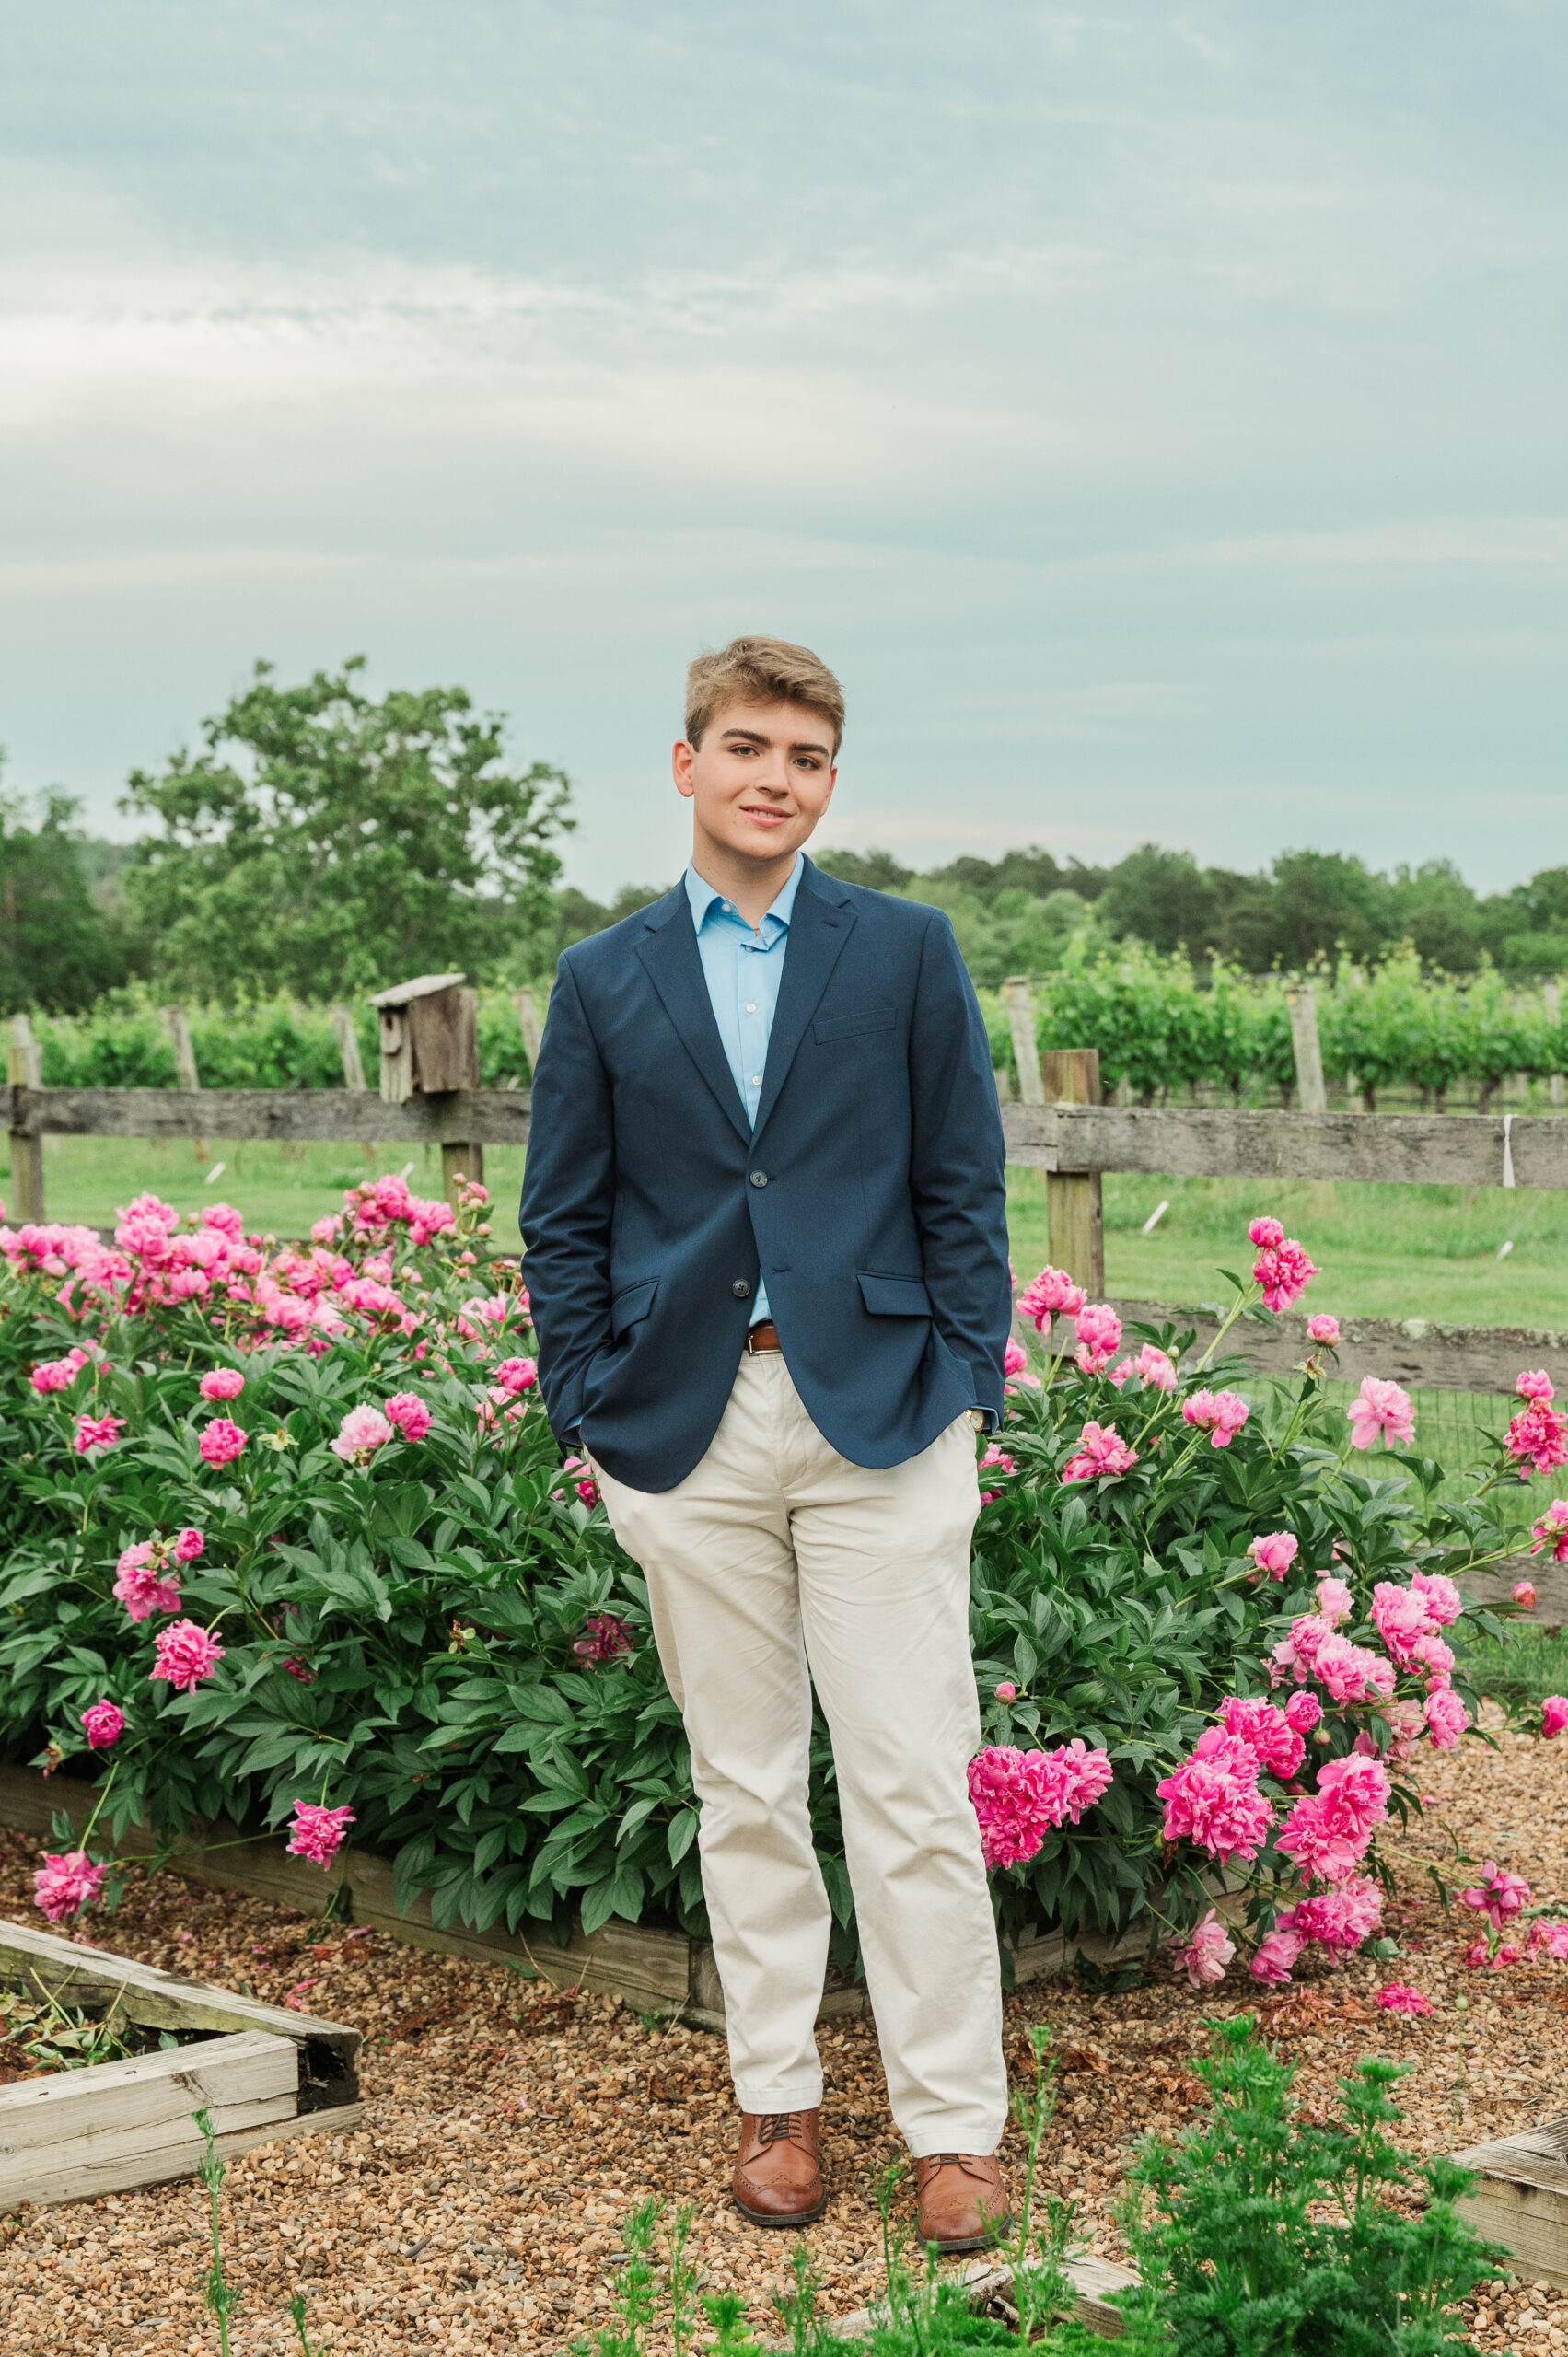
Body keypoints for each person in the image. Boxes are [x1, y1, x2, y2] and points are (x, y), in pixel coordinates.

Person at [520, 635, 1013, 2249]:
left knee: (911, 1782)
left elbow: (963, 1189)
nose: (774, 779)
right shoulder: (604, 979)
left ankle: (954, 2129)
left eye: (805, 758)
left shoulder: (907, 954)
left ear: (827, 782)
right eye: (747, 748)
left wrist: (964, 1392)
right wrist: (589, 1403)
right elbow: (564, 1222)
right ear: (686, 764)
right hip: (686, 1426)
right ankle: (778, 2105)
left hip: (881, 1419)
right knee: (742, 1784)